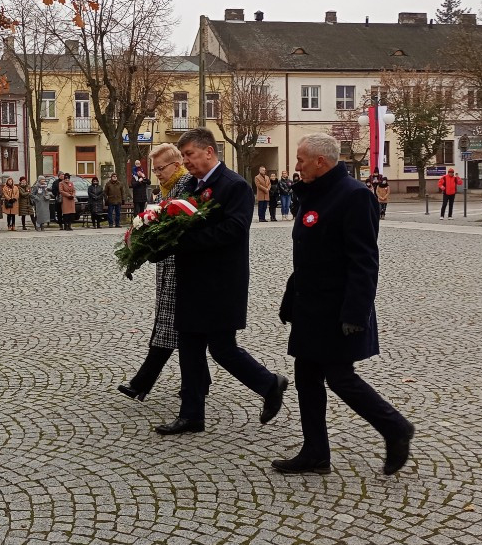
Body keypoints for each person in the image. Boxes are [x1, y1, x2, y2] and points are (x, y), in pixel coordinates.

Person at [273, 133, 414, 476]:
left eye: (301, 160)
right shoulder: (313, 193)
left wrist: (356, 312)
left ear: (321, 162)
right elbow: (308, 256)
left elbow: (364, 261)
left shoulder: (353, 196)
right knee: (306, 376)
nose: (296, 166)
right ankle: (315, 452)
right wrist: (291, 298)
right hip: (310, 305)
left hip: (338, 308)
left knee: (340, 378)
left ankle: (395, 427)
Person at [153, 128, 288, 436]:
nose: (185, 161)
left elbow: (235, 230)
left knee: (223, 348)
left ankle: (270, 384)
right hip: (192, 280)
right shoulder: (192, 186)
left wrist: (184, 241)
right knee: (189, 347)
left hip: (221, 282)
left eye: (189, 154)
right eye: (183, 155)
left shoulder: (233, 185)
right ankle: (191, 415)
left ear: (209, 152)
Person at [119, 143, 202, 401]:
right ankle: (200, 384)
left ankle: (141, 383)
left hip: (181, 270)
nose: (157, 174)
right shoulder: (168, 188)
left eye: (160, 168)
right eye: (154, 169)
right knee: (186, 335)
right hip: (169, 269)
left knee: (168, 328)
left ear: (176, 166)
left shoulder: (185, 186)